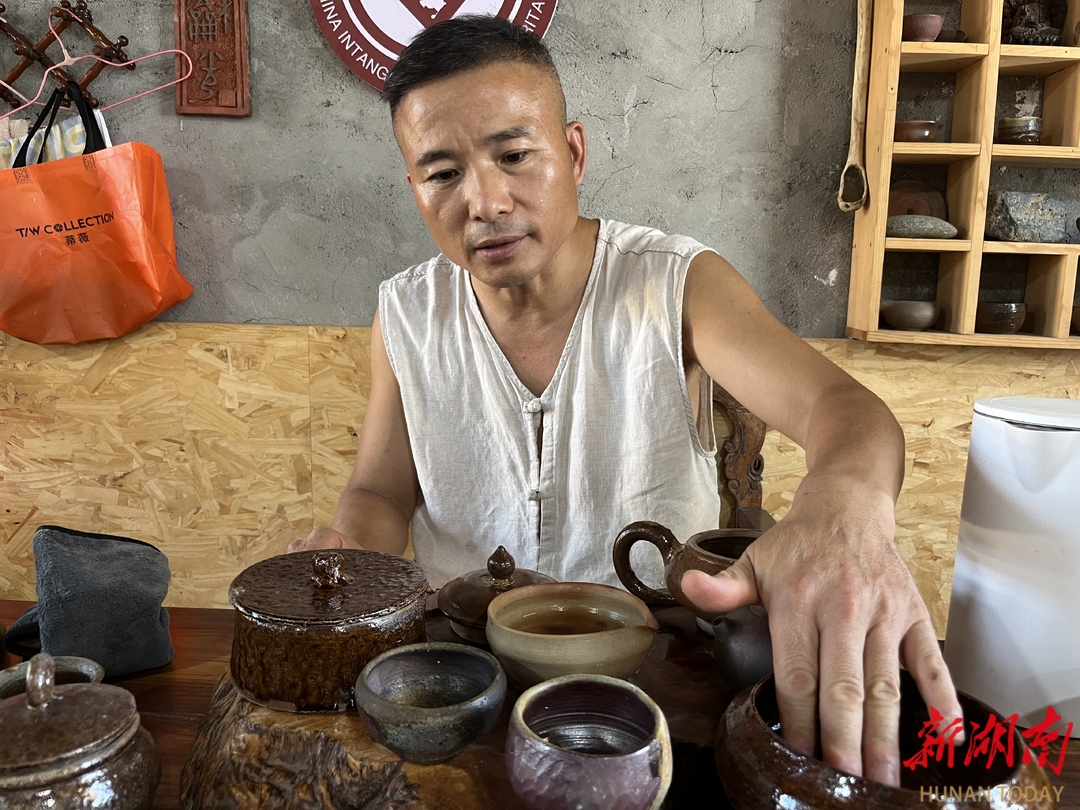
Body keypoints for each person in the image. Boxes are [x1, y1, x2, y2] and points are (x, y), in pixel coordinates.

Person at [288, 15, 962, 788]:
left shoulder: (676, 284)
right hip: (468, 684)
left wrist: (841, 509)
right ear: (414, 190)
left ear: (573, 153)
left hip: (658, 687)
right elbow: (380, 490)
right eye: (442, 173)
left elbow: (844, 409)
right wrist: (348, 554)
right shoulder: (408, 312)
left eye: (515, 156)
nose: (486, 201)